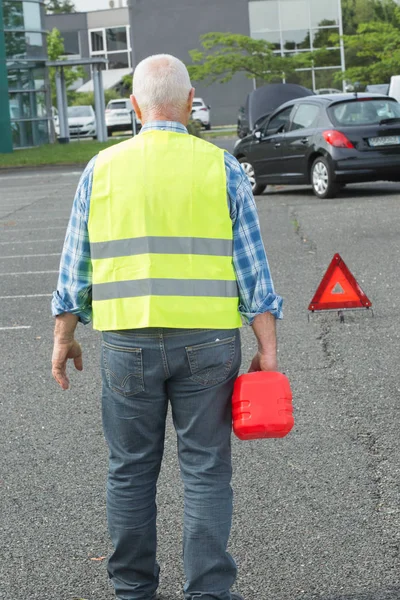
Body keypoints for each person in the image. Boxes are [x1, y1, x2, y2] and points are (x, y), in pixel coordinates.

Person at [51, 54, 283, 600]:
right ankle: (207, 591)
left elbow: (74, 265)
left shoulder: (102, 168)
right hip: (207, 343)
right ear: (188, 101)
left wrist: (63, 337)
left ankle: (133, 590)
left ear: (134, 106)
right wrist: (267, 348)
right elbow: (253, 268)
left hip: (127, 343)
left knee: (130, 472)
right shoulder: (220, 166)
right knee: (205, 472)